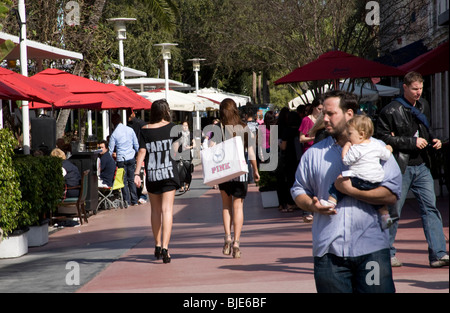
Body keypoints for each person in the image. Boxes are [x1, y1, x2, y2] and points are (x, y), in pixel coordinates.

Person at [291, 90, 402, 293]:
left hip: (372, 252)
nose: (324, 118)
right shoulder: (314, 155)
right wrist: (311, 205)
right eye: (323, 113)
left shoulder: (378, 150)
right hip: (329, 255)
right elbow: (298, 190)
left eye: (330, 113)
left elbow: (391, 194)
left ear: (349, 114)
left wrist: (350, 190)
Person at [375, 71, 449, 268]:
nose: (419, 92)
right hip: (400, 166)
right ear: (405, 87)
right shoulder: (390, 110)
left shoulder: (423, 105)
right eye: (415, 89)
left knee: (430, 209)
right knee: (393, 211)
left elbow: (425, 130)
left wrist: (434, 141)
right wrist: (411, 142)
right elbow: (381, 138)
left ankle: (438, 254)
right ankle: (386, 252)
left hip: (422, 165)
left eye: (421, 88)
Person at [321, 115, 394, 230]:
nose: (349, 137)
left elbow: (346, 160)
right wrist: (389, 148)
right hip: (375, 181)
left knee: (338, 183)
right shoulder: (377, 145)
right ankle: (385, 217)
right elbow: (386, 155)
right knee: (379, 203)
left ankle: (331, 202)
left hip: (359, 179)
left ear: (361, 134)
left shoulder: (356, 148)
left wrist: (346, 147)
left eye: (350, 134)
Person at [210, 98, 260, 259]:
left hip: (224, 172)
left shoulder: (218, 128)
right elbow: (251, 151)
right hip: (240, 172)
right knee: (238, 207)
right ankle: (237, 243)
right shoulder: (244, 128)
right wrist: (255, 169)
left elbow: (211, 149)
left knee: (226, 206)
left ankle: (227, 238)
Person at [134, 99, 181, 264]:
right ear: (166, 111)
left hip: (153, 174)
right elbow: (176, 152)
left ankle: (157, 244)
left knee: (155, 210)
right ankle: (166, 248)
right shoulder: (173, 128)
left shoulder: (144, 130)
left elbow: (141, 152)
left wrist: (137, 173)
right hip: (168, 173)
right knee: (167, 210)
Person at [109, 112, 139, 207]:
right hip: (131, 157)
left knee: (123, 181)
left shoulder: (114, 134)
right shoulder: (130, 130)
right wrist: (138, 155)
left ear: (113, 121)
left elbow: (110, 150)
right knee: (131, 179)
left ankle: (127, 201)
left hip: (121, 159)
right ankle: (135, 200)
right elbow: (136, 145)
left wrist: (110, 159)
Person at [178, 121, 194, 192]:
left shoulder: (190, 134)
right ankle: (181, 186)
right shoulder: (179, 134)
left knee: (188, 171)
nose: (185, 127)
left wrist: (190, 147)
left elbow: (195, 145)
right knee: (180, 170)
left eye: (186, 125)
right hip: (180, 154)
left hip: (188, 154)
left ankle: (187, 185)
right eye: (184, 125)